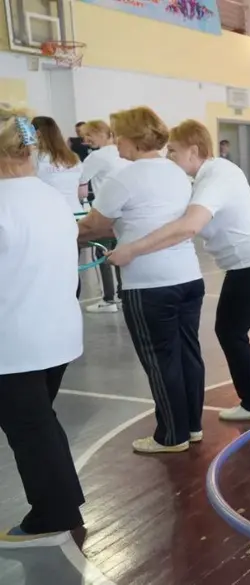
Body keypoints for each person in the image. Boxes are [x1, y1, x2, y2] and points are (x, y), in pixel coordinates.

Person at [106, 120, 250, 422]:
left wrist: (132, 249)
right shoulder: (216, 171)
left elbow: (190, 226)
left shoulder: (213, 178)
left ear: (194, 150)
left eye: (174, 151)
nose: (170, 157)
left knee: (229, 331)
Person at [78, 106, 205, 454]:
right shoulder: (176, 172)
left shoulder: (125, 176)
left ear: (133, 139)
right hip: (188, 278)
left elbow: (94, 225)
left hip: (149, 284)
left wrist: (62, 235)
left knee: (161, 359)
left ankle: (171, 435)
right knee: (187, 354)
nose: (116, 142)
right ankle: (192, 426)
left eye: (119, 135)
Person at [0, 110, 85, 548]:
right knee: (39, 420)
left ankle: (52, 512)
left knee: (29, 426)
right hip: (56, 332)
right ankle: (64, 502)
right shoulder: (51, 197)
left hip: (16, 341)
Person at [78, 119, 130, 314]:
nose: (86, 140)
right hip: (124, 211)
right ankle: (122, 295)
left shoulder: (96, 157)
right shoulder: (122, 152)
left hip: (104, 211)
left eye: (89, 135)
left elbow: (80, 182)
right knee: (120, 252)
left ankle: (109, 299)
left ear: (101, 133)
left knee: (102, 253)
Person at [32, 116, 83, 215]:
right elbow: (82, 192)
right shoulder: (74, 157)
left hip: (52, 214)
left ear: (37, 133)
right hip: (76, 212)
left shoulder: (35, 157)